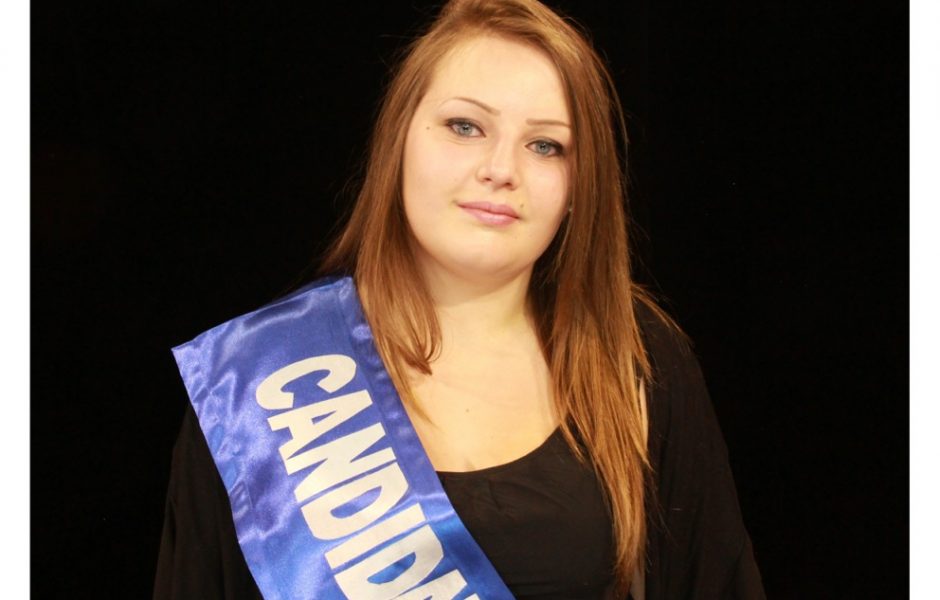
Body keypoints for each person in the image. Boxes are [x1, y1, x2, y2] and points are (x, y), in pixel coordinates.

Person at [153, 0, 766, 598]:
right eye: (465, 127)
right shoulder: (254, 381)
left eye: (546, 145)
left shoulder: (633, 357)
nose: (501, 169)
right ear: (398, 140)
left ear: (579, 186)